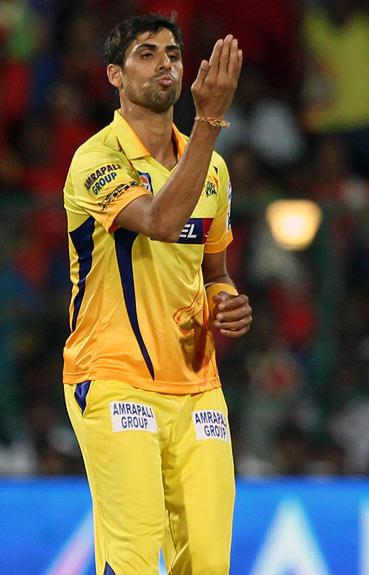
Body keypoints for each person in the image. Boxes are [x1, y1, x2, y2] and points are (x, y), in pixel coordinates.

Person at [61, 14, 250, 574]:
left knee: (210, 564)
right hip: (115, 376)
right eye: (146, 53)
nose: (164, 62)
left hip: (198, 386)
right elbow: (163, 222)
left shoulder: (210, 168)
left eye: (172, 52)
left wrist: (226, 299)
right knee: (136, 561)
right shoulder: (96, 160)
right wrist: (212, 118)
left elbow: (213, 269)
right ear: (115, 76)